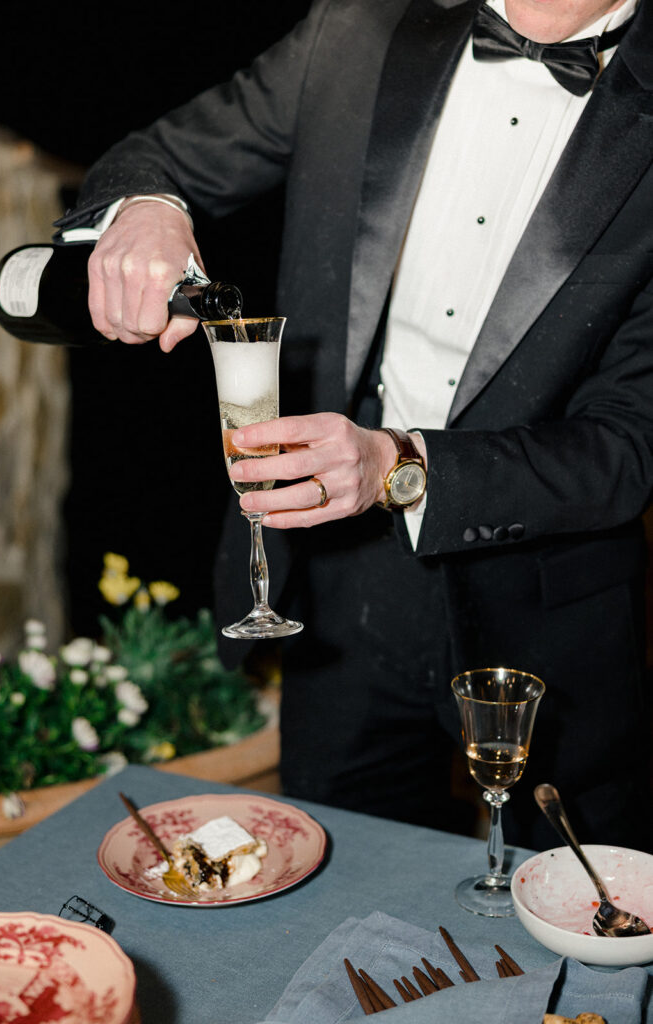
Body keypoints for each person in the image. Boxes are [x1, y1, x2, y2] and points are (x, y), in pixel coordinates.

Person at [55, 0, 653, 851]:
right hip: (334, 589)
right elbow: (159, 156)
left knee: (569, 925)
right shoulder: (359, 26)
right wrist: (148, 209)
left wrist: (400, 468)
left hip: (546, 612)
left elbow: (630, 442)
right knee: (336, 904)